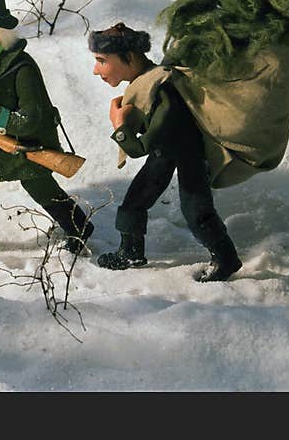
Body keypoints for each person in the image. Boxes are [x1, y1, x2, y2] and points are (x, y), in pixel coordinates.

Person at [89, 22, 242, 282]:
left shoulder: (162, 88)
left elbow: (139, 148)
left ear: (129, 57)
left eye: (102, 61)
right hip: (165, 152)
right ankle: (130, 252)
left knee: (196, 211)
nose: (96, 70)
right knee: (135, 201)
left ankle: (226, 259)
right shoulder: (145, 84)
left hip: (190, 154)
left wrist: (119, 125)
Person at [0, 0, 92, 253]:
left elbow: (32, 120)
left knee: (39, 185)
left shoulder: (22, 69)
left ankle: (79, 228)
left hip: (25, 146)